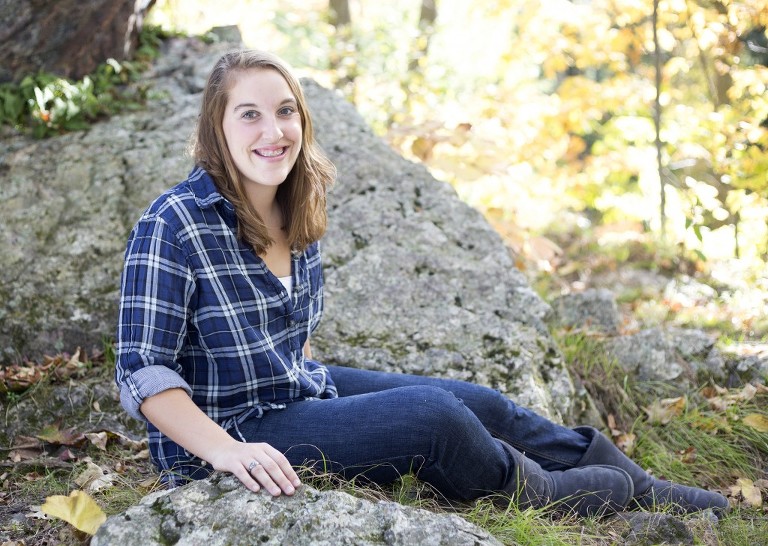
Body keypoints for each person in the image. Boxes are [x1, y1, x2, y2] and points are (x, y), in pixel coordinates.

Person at [115, 49, 728, 518]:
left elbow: (289, 334)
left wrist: (337, 409)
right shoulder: (174, 223)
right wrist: (225, 451)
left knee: (480, 402)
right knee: (432, 417)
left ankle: (646, 490)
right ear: (217, 127)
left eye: (284, 112)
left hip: (292, 392)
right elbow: (141, 371)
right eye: (249, 114)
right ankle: (542, 493)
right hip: (229, 435)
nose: (271, 131)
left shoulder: (294, 206)